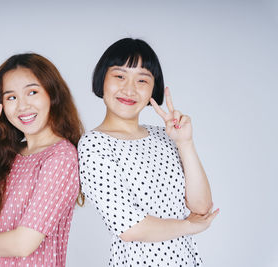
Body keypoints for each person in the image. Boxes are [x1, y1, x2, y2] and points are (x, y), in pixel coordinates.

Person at [78, 38, 219, 266]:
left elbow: (201, 207)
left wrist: (185, 142)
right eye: (119, 76)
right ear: (102, 78)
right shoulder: (94, 145)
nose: (130, 89)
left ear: (153, 88)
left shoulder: (165, 135)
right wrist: (189, 226)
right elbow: (128, 227)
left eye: (142, 79)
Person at [0, 53, 84, 267]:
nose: (22, 106)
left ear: (52, 94)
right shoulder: (8, 154)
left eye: (32, 92)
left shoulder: (61, 157)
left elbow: (24, 244)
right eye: (11, 97)